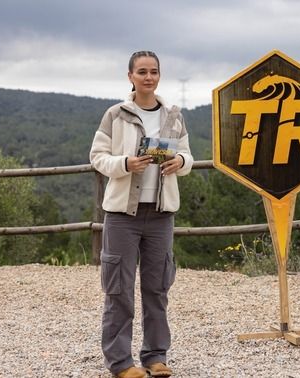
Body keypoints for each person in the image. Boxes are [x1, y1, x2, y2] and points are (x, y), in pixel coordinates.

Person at [90, 50, 193, 378]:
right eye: (142, 72)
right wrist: (124, 164)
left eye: (154, 72)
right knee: (118, 287)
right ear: (130, 76)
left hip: (161, 214)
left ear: (159, 75)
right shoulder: (115, 115)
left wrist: (181, 162)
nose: (148, 77)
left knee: (157, 286)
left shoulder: (174, 116)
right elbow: (98, 156)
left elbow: (188, 155)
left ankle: (155, 356)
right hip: (123, 215)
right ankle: (120, 362)